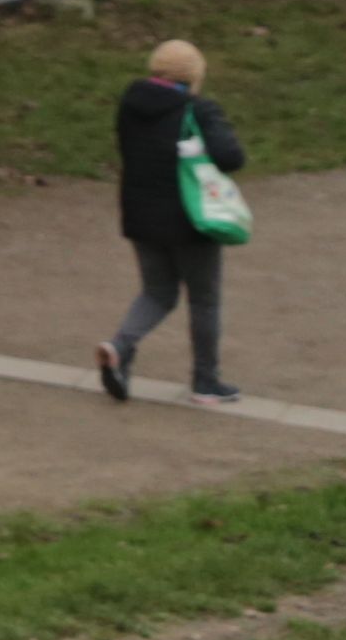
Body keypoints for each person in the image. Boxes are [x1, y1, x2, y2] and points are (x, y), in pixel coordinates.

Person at [98, 38, 246, 405]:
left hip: (140, 215)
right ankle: (205, 381)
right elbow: (231, 157)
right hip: (191, 218)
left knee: (157, 291)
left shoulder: (130, 105)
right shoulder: (198, 110)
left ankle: (120, 347)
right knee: (204, 299)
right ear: (194, 75)